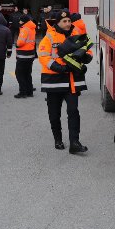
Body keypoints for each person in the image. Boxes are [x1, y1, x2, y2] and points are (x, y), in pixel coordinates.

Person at [37, 9, 93, 154]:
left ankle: (74, 143)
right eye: (64, 21)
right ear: (58, 23)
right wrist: (57, 67)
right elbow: (43, 56)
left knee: (73, 111)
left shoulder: (77, 34)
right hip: (53, 80)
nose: (68, 24)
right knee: (54, 114)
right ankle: (58, 139)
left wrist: (87, 57)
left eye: (69, 21)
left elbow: (88, 50)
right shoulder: (49, 37)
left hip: (72, 81)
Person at [14, 14, 36, 98]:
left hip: (23, 54)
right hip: (30, 53)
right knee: (27, 73)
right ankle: (29, 91)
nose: (19, 22)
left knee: (19, 73)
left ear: (23, 21)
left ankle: (23, 92)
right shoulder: (32, 28)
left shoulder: (24, 29)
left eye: (20, 20)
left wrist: (17, 44)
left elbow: (20, 42)